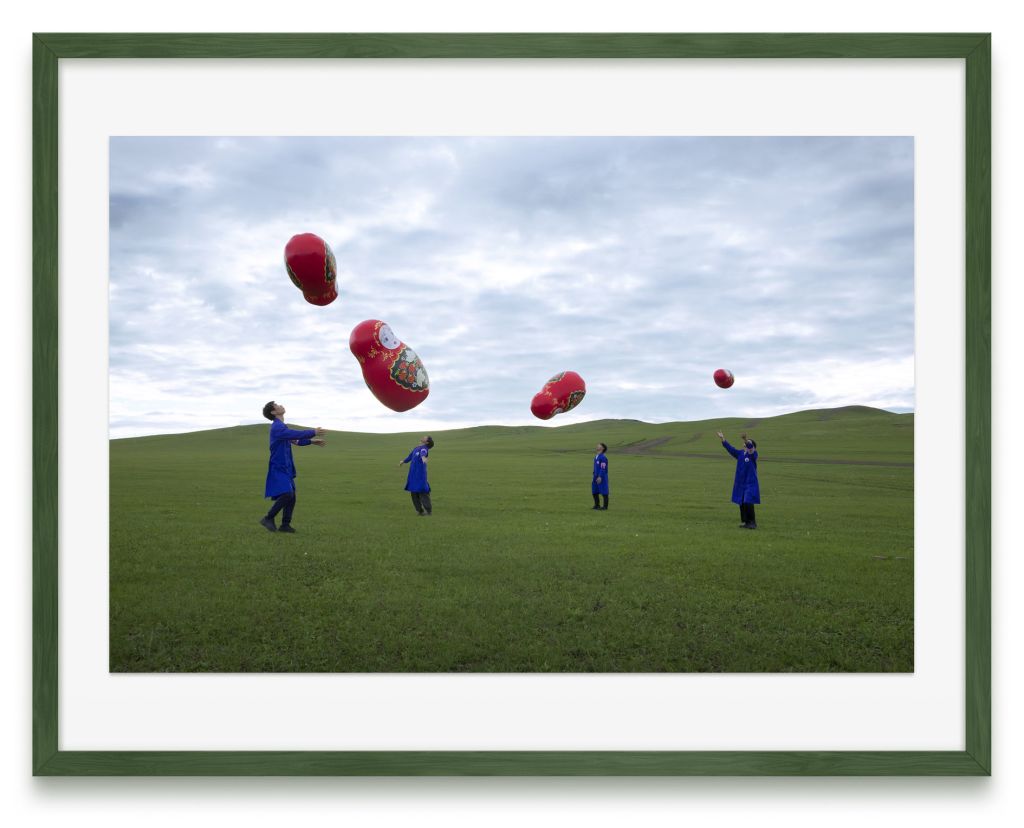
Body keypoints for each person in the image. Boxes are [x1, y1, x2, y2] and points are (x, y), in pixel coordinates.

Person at [260, 401, 326, 533]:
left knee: (292, 496)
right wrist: (313, 432)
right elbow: (294, 434)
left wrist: (311, 441)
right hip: (278, 466)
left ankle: (285, 525)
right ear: (273, 412)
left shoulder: (282, 427)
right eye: (277, 405)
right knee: (287, 494)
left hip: (286, 466)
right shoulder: (277, 427)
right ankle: (268, 518)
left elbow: (295, 440)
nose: (280, 405)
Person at [715, 430, 760, 528]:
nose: (746, 444)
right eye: (745, 443)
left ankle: (752, 522)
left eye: (748, 443)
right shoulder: (740, 454)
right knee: (742, 502)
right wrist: (723, 439)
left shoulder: (753, 455)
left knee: (748, 501)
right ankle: (746, 522)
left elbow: (750, 448)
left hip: (750, 482)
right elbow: (730, 449)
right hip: (741, 482)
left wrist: (745, 439)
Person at [398, 435, 434, 516]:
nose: (423, 437)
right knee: (413, 492)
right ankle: (419, 511)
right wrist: (403, 461)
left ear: (427, 442)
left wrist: (423, 457)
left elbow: (424, 453)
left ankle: (428, 511)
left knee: (422, 491)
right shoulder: (416, 448)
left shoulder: (424, 448)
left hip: (420, 474)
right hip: (413, 474)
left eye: (425, 437)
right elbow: (410, 456)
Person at [592, 442, 610, 510]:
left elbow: (603, 468)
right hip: (595, 476)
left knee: (604, 491)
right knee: (594, 491)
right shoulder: (596, 456)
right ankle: (597, 505)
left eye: (599, 446)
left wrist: (600, 476)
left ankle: (605, 507)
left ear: (602, 448)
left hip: (602, 477)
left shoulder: (603, 457)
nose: (597, 446)